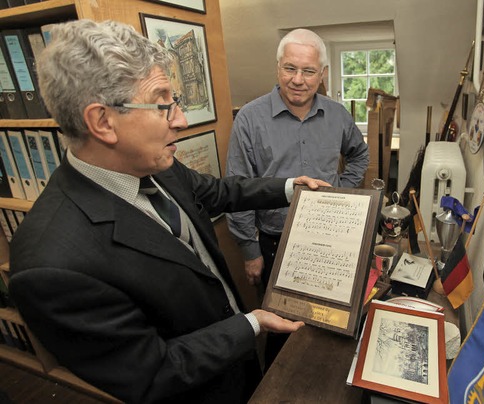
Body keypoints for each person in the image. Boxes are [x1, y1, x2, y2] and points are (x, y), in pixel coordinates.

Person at [7, 19, 330, 404]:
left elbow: (218, 191)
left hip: (238, 366)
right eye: (163, 104)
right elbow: (152, 370)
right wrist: (251, 323)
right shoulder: (49, 267)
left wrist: (290, 187)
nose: (180, 119)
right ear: (102, 121)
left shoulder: (156, 163)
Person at [225, 28, 369, 369]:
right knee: (282, 328)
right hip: (276, 244)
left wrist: (341, 190)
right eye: (290, 68)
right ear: (277, 69)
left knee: (331, 321)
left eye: (308, 71)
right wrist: (250, 251)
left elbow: (359, 156)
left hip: (333, 239)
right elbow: (237, 188)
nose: (298, 80)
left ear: (322, 75)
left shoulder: (337, 115)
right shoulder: (249, 119)